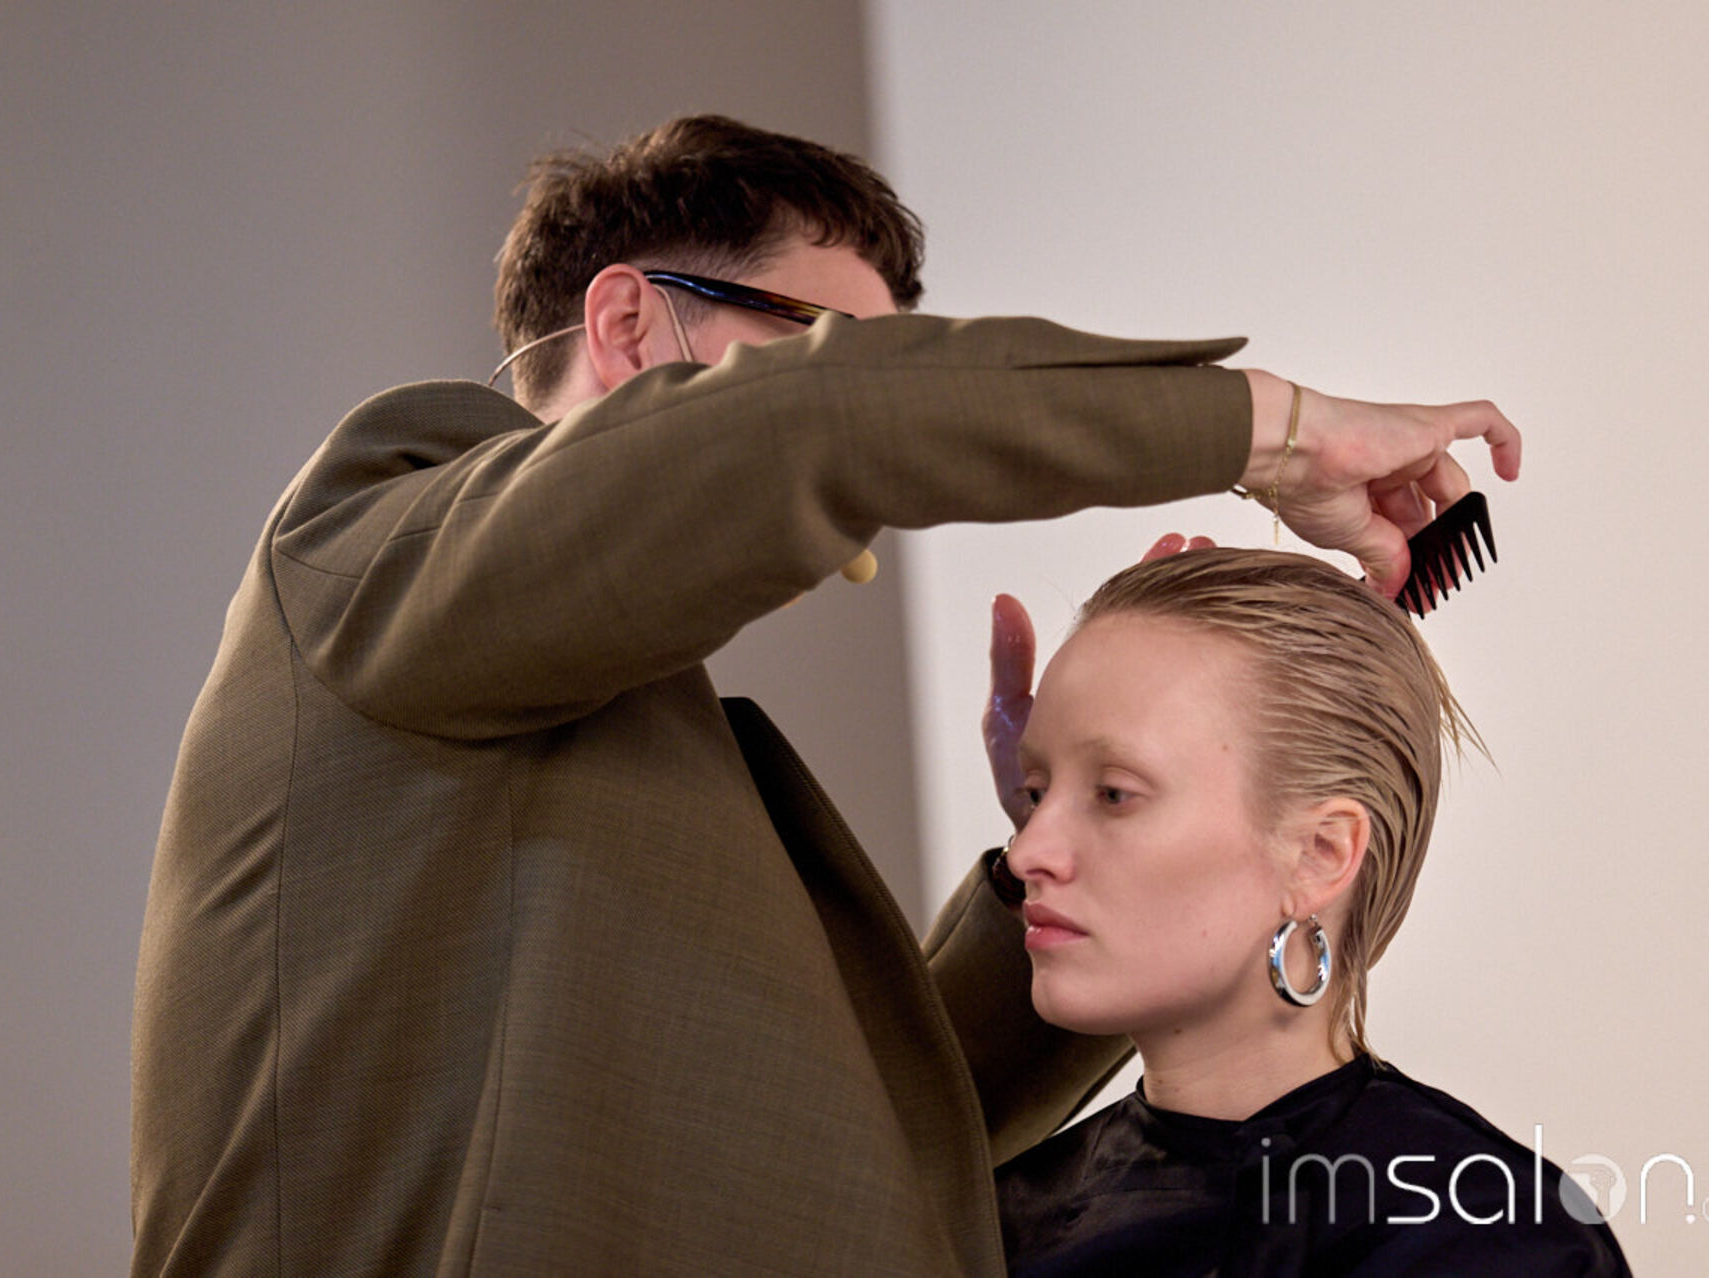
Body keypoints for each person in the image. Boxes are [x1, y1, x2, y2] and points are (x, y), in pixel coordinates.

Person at [130, 114, 1524, 1275]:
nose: (878, 490)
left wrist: (1069, 847)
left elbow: (849, 1142)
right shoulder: (366, 544)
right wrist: (1271, 431)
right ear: (628, 321)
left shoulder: (626, 751)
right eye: (828, 350)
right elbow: (823, 428)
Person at [995, 549, 1631, 1275]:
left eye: (1114, 794)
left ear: (1320, 855)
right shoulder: (996, 1217)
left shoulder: (1481, 1237)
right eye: (1036, 793)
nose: (1024, 852)